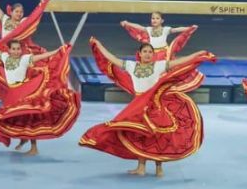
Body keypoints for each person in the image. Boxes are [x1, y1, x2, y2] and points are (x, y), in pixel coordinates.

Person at [80, 37, 215, 177]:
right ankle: (141, 168)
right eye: (145, 51)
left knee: (159, 135)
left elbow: (181, 62)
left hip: (155, 106)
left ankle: (159, 168)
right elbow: (111, 58)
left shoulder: (159, 66)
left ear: (153, 54)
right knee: (139, 135)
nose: (147, 54)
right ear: (139, 53)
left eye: (150, 52)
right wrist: (99, 45)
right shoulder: (131, 66)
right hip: (138, 106)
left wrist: (198, 54)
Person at [0, 32, 80, 154]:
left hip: (24, 91)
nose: (16, 51)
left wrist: (58, 51)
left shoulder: (24, 59)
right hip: (12, 93)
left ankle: (34, 148)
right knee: (18, 117)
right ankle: (23, 139)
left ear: (21, 50)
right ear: (9, 50)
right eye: (13, 49)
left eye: (18, 49)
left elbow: (43, 56)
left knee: (29, 118)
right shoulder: (5, 57)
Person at [119, 10, 197, 59]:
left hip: (164, 54)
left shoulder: (166, 29)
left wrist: (190, 28)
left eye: (157, 18)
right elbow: (138, 27)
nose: (154, 20)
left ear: (162, 21)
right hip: (152, 54)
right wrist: (127, 23)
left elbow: (177, 29)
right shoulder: (149, 29)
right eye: (153, 18)